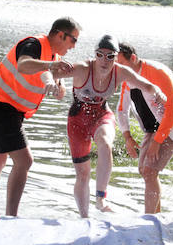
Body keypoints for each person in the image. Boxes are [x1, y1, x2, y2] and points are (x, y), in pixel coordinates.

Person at [0, 17, 78, 218]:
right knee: (24, 161)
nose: (74, 46)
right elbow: (24, 65)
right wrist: (50, 68)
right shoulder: (33, 44)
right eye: (73, 40)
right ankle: (11, 217)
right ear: (61, 34)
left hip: (4, 107)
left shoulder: (54, 56)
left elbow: (49, 76)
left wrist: (59, 88)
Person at [57, 35, 162, 217]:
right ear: (94, 55)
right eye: (100, 55)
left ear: (115, 57)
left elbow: (146, 85)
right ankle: (84, 216)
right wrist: (54, 82)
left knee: (105, 143)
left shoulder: (121, 72)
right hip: (77, 120)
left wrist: (158, 92)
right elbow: (51, 72)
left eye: (110, 56)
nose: (104, 61)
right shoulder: (82, 68)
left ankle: (100, 198)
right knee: (83, 174)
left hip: (101, 114)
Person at [115, 42, 173, 214]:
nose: (119, 70)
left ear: (133, 58)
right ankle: (156, 216)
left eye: (122, 64)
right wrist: (127, 137)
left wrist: (157, 141)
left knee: (149, 171)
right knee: (144, 170)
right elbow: (121, 109)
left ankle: (148, 220)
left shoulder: (157, 72)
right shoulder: (126, 78)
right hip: (153, 127)